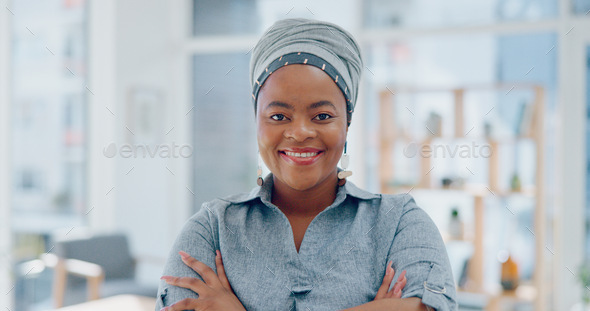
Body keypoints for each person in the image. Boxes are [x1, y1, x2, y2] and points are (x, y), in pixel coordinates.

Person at [156, 18, 457, 311]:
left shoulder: (400, 223)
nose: (300, 132)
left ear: (347, 122)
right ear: (256, 122)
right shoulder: (211, 229)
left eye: (322, 116)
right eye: (278, 116)